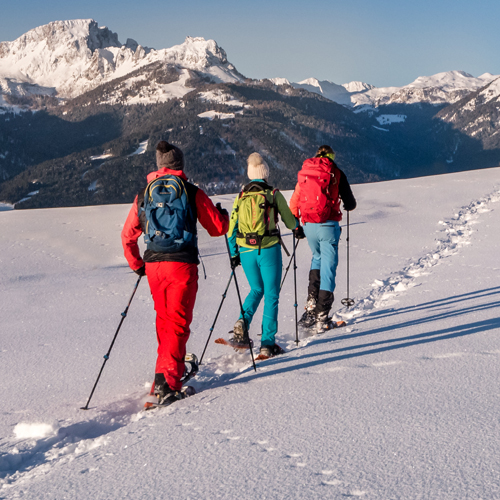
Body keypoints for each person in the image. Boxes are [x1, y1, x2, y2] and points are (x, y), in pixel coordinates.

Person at [121, 141, 229, 404]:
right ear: (180, 165)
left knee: (164, 321)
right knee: (178, 323)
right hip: (181, 264)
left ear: (159, 166)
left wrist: (138, 265)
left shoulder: (144, 194)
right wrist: (223, 215)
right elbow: (217, 228)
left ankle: (163, 374)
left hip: (155, 265)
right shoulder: (191, 192)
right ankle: (168, 383)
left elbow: (127, 236)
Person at [228, 152, 299, 357]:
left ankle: (242, 321)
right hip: (268, 249)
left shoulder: (241, 197)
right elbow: (289, 221)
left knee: (256, 289)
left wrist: (234, 254)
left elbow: (231, 228)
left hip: (245, 250)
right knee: (271, 295)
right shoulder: (273, 194)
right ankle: (267, 343)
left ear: (250, 174)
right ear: (265, 173)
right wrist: (297, 229)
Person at [290, 145, 356, 333]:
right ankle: (322, 315)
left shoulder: (306, 173)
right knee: (328, 266)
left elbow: (294, 202)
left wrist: (297, 227)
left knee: (317, 258)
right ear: (331, 156)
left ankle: (312, 304)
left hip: (308, 225)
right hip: (328, 225)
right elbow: (350, 203)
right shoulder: (335, 172)